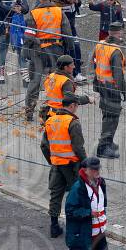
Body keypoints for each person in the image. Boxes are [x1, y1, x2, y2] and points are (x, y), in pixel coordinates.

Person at [23, 0, 74, 122]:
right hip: (56, 50)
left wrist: (26, 52)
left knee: (35, 82)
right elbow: (67, 33)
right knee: (55, 82)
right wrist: (69, 49)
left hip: (39, 51)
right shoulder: (59, 12)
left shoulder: (34, 14)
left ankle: (29, 112)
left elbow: (29, 36)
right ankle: (56, 110)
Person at [41, 94, 88, 238]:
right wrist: (85, 163)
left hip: (56, 165)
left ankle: (54, 226)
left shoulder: (50, 121)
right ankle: (74, 228)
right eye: (77, 106)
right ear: (73, 105)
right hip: (72, 166)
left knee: (55, 195)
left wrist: (52, 160)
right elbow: (78, 147)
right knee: (75, 196)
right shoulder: (72, 122)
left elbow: (44, 145)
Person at [92, 22, 126, 159]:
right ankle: (103, 148)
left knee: (107, 116)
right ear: (119, 33)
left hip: (102, 85)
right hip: (112, 89)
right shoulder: (115, 51)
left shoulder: (100, 44)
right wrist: (124, 92)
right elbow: (118, 76)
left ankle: (108, 141)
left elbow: (95, 62)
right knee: (112, 118)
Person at [65, 157, 108, 250]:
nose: (97, 171)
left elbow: (103, 204)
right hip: (85, 234)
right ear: (85, 170)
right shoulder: (78, 188)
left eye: (98, 168)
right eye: (93, 169)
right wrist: (89, 213)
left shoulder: (102, 183)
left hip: (100, 233)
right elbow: (69, 211)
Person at [40, 55, 92, 124]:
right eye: (72, 65)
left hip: (48, 114)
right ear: (65, 67)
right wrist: (87, 99)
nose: (74, 67)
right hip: (60, 115)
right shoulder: (66, 82)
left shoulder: (51, 76)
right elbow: (70, 99)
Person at [51, 0, 86, 83]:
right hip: (61, 30)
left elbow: (77, 4)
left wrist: (77, 2)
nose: (74, 0)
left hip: (72, 28)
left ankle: (77, 73)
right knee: (65, 52)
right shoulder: (56, 2)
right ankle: (65, 74)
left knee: (76, 48)